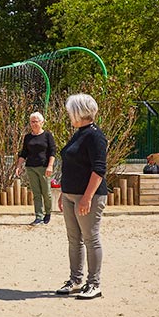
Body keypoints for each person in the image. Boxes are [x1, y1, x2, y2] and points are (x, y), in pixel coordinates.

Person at [56, 94, 107, 300]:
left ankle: (94, 283)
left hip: (88, 196)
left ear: (79, 111)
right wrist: (63, 193)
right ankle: (75, 280)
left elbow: (99, 169)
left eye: (70, 111)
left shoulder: (95, 136)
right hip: (70, 194)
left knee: (90, 238)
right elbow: (71, 165)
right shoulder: (78, 133)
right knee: (73, 239)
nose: (69, 115)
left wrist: (87, 197)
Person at [15, 112, 56, 225]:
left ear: (42, 123)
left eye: (36, 121)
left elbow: (52, 151)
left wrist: (50, 166)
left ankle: (48, 213)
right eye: (32, 121)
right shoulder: (28, 137)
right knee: (36, 193)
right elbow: (24, 153)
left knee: (46, 192)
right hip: (31, 167)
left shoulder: (47, 135)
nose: (33, 124)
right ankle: (38, 215)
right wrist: (19, 166)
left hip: (44, 167)